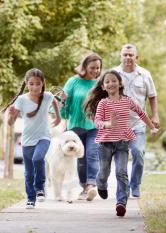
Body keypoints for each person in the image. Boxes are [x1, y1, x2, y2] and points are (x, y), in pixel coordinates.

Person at [83, 70, 159, 217]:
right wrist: (108, 124)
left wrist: (152, 127)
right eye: (107, 82)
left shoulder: (127, 100)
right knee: (104, 171)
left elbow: (141, 113)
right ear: (103, 87)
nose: (111, 83)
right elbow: (97, 121)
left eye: (113, 80)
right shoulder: (103, 103)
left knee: (121, 172)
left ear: (120, 83)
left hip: (123, 142)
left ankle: (121, 203)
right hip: (105, 143)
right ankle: (102, 184)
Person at [8, 68, 61, 209]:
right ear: (26, 83)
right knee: (29, 171)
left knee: (38, 159)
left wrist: (58, 117)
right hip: (27, 139)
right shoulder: (21, 99)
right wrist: (11, 115)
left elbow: (55, 102)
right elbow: (11, 123)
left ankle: (40, 189)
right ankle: (30, 199)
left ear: (43, 83)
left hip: (44, 136)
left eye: (38, 83)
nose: (34, 87)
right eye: (31, 84)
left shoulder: (48, 96)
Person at [113, 43, 160, 198]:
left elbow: (152, 96)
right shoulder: (113, 74)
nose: (128, 57)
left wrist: (155, 116)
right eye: (125, 55)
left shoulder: (145, 74)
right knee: (121, 159)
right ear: (120, 57)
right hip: (118, 124)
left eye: (131, 55)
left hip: (138, 123)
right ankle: (123, 188)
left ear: (136, 57)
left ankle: (135, 185)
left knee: (138, 152)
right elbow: (102, 96)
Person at [59, 53, 102, 201]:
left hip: (94, 126)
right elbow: (64, 111)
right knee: (81, 158)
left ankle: (91, 185)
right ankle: (84, 187)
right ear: (84, 66)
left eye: (98, 68)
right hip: (75, 126)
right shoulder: (73, 82)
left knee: (92, 153)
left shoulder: (99, 84)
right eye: (92, 67)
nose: (95, 71)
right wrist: (63, 103)